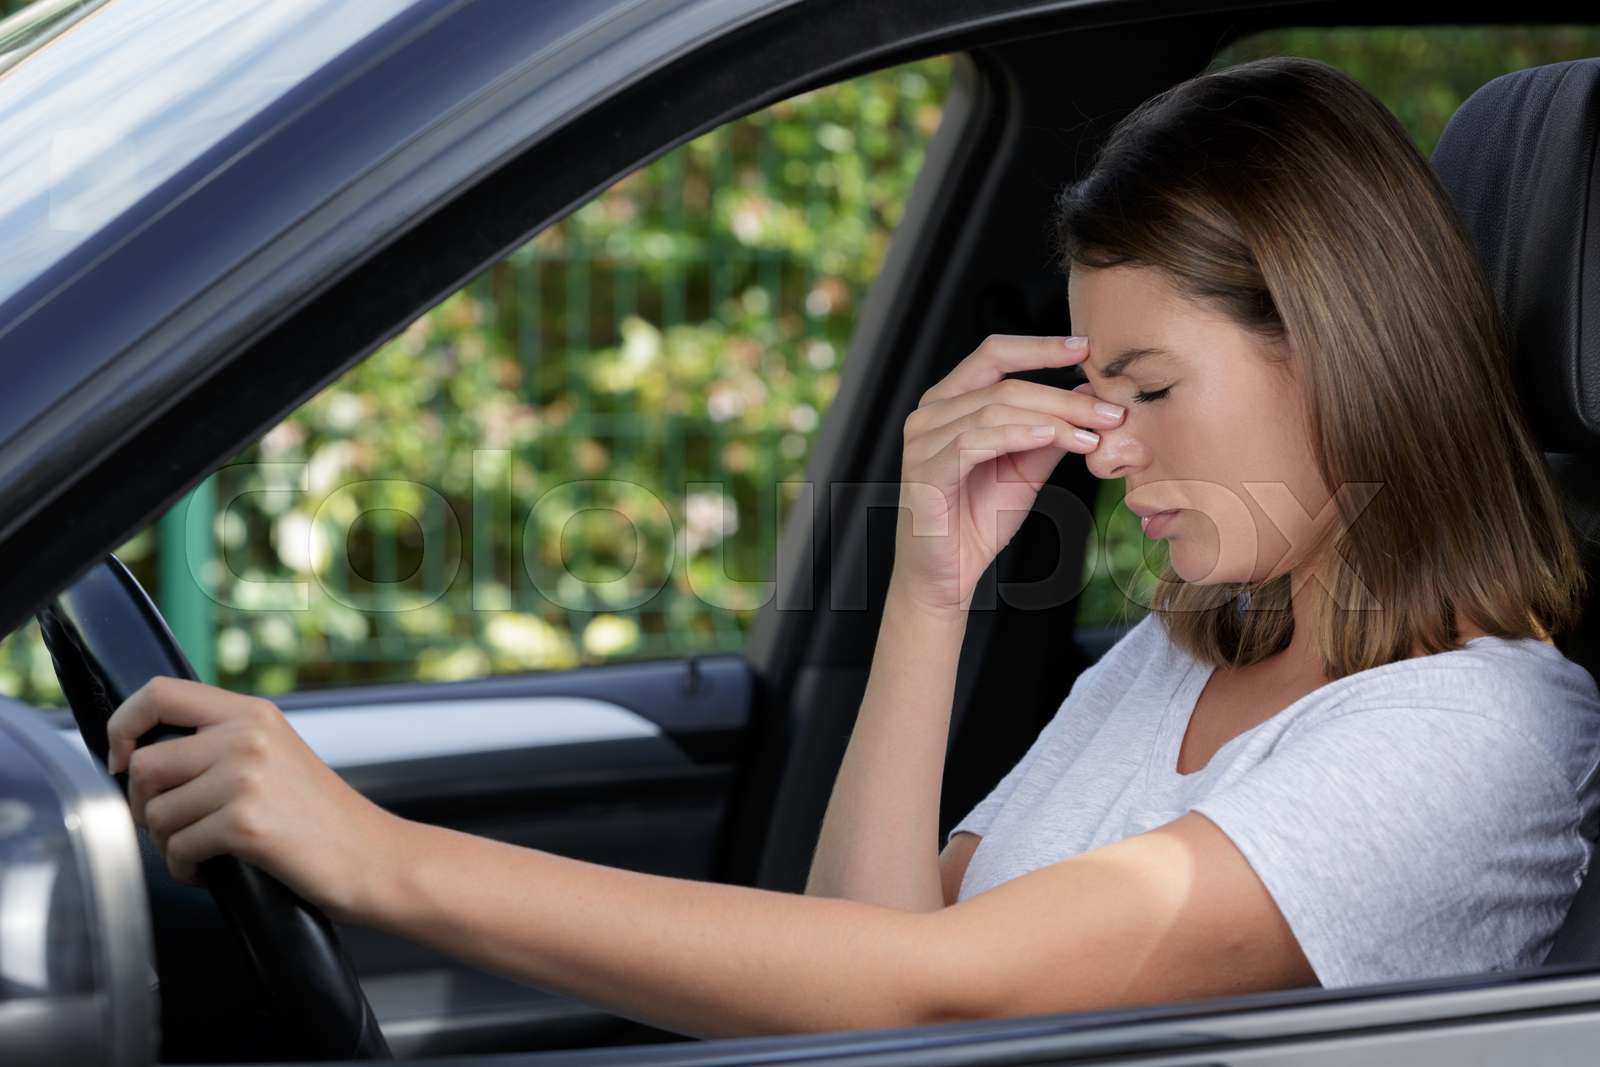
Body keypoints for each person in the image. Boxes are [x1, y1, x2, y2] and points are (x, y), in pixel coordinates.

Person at [105, 54, 1600, 1037]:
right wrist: (931, 591)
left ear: (1343, 354)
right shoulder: (1175, 658)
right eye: (1096, 390)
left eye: (1149, 387)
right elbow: (853, 978)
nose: (1110, 442)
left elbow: (918, 997)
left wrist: (377, 858)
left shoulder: (1475, 735)